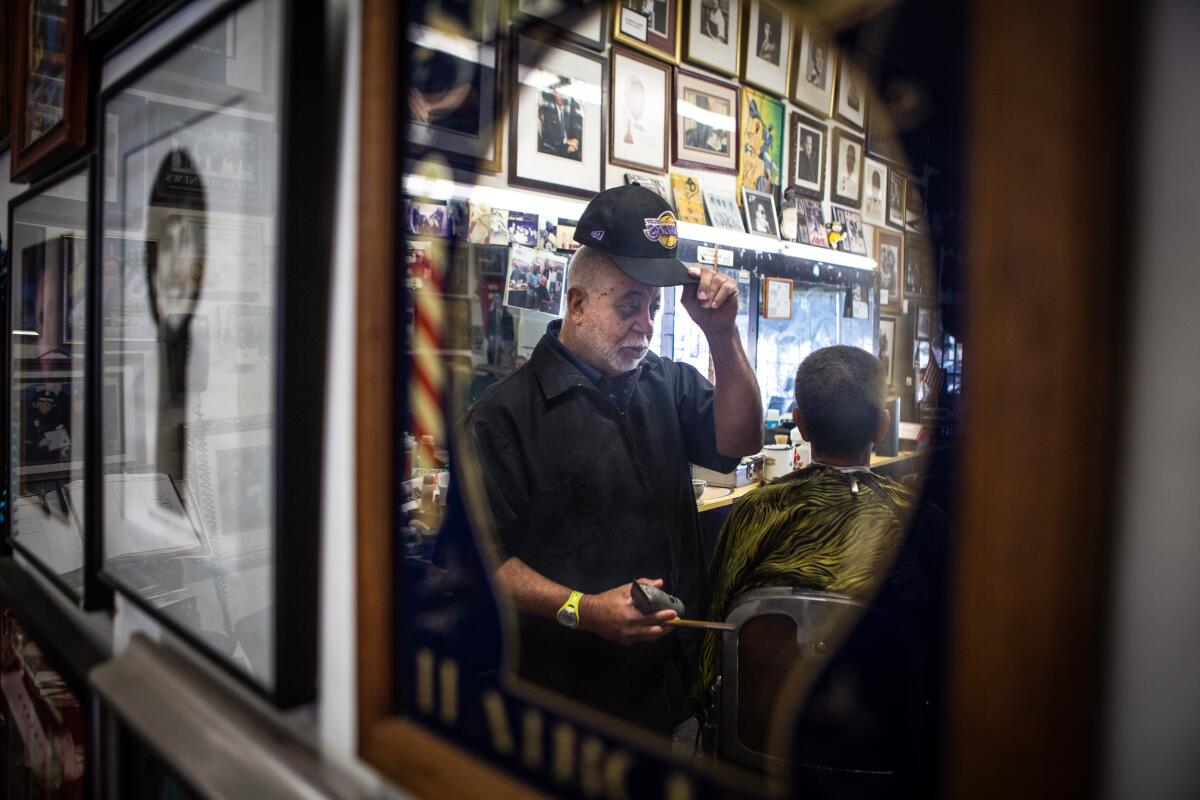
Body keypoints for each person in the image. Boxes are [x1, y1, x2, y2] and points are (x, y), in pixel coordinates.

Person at [468, 184, 762, 732]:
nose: (647, 326)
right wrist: (582, 607)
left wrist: (723, 335)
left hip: (669, 689)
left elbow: (742, 440)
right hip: (564, 700)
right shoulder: (502, 419)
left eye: (653, 308)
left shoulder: (667, 383)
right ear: (577, 304)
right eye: (631, 306)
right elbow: (483, 559)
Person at [691, 346, 946, 755]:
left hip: (761, 739)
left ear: (800, 425)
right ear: (881, 427)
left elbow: (714, 638)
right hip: (888, 744)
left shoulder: (756, 513)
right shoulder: (922, 522)